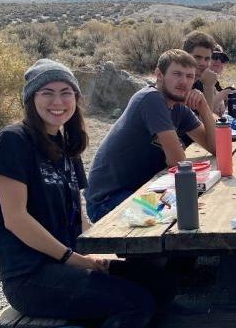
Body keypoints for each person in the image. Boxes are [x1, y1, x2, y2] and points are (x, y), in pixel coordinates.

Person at [0, 58, 170, 328]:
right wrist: (74, 259)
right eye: (47, 93)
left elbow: (78, 218)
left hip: (67, 262)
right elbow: (15, 219)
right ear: (30, 99)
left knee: (158, 277)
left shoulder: (66, 144)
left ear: (76, 99)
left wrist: (102, 253)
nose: (58, 102)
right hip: (31, 276)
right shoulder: (13, 141)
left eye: (66, 92)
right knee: (136, 303)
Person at [85, 49, 216, 223]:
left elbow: (215, 148)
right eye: (177, 74)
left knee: (199, 209)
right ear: (159, 75)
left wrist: (204, 108)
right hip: (109, 199)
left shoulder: (178, 108)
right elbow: (178, 162)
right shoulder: (151, 99)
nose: (184, 82)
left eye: (189, 77)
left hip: (143, 191)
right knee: (185, 217)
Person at [182, 30, 219, 111]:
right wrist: (209, 88)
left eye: (207, 59)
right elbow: (205, 122)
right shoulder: (177, 84)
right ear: (185, 56)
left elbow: (209, 119)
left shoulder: (201, 82)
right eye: (197, 57)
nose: (202, 63)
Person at [208, 44, 234, 116]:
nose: (218, 61)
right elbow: (207, 109)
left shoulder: (215, 83)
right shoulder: (199, 82)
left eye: (222, 59)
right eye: (215, 57)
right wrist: (224, 93)